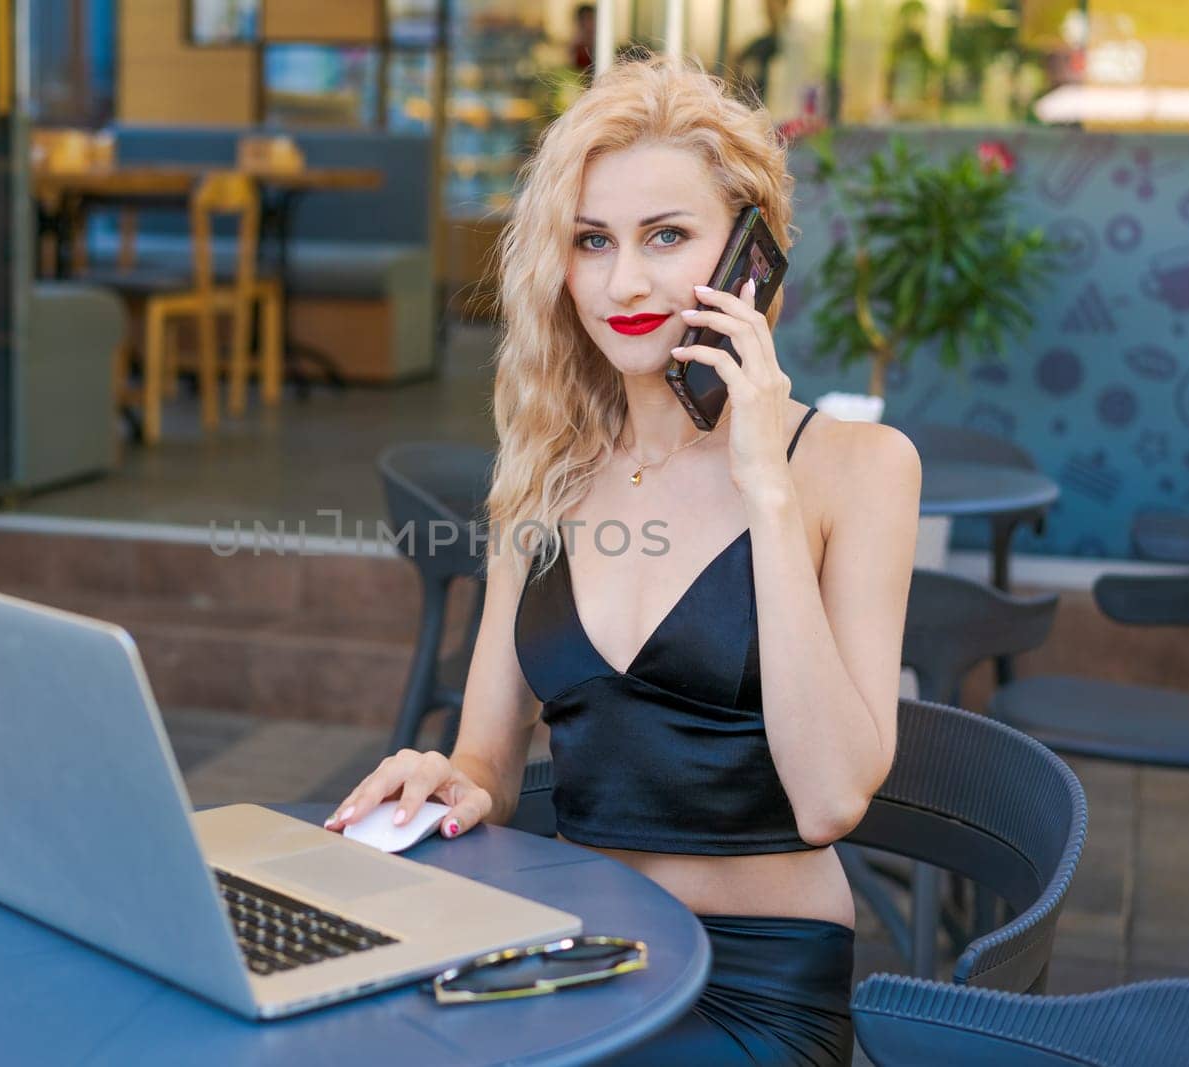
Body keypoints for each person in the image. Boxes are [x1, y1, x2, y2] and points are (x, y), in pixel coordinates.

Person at [327, 56, 919, 1065]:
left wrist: (764, 487)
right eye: (590, 241)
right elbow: (490, 766)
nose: (623, 282)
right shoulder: (545, 472)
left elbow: (829, 799)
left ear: (748, 252)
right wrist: (447, 778)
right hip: (576, 952)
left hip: (756, 984)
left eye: (666, 236)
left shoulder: (857, 468)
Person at [569, 3, 596, 73]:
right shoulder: (576, 42)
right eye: (584, 19)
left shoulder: (599, 41)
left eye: (590, 18)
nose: (589, 23)